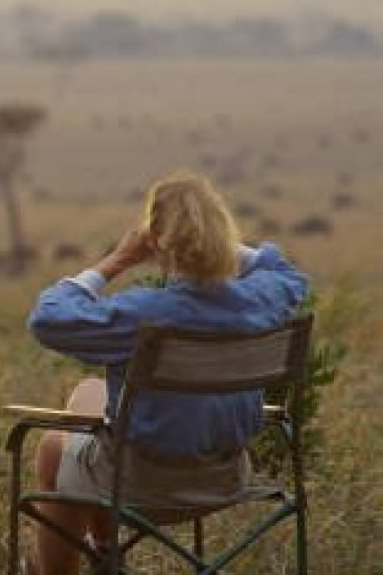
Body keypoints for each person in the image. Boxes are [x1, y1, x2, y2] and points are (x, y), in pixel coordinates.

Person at [26, 172, 309, 575]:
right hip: (226, 476)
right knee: (88, 391)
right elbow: (287, 274)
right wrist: (218, 242)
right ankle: (105, 549)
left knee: (54, 446)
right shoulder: (261, 298)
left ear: (158, 241)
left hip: (138, 486)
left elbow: (47, 319)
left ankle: (95, 557)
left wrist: (116, 261)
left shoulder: (146, 314)